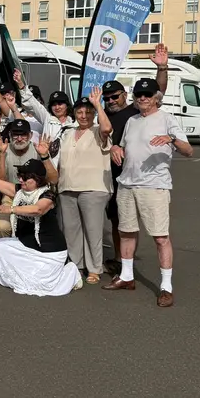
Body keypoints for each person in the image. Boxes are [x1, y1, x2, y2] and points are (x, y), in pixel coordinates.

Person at [103, 78, 193, 308]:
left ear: (156, 97)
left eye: (148, 95)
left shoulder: (167, 119)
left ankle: (166, 287)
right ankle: (127, 276)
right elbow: (122, 145)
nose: (143, 98)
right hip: (127, 184)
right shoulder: (132, 121)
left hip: (154, 186)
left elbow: (188, 150)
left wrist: (171, 139)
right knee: (126, 232)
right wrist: (115, 147)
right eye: (139, 95)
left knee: (161, 237)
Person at [101, 44, 170, 274]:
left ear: (124, 96)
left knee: (137, 227)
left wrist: (162, 68)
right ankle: (122, 262)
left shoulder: (134, 111)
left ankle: (125, 266)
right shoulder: (99, 117)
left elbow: (157, 92)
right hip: (110, 178)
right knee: (117, 223)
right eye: (107, 97)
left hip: (137, 178)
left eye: (115, 96)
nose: (111, 100)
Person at [0, 151, 82, 296]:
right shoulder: (20, 191)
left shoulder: (48, 195)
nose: (21, 179)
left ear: (38, 180)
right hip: (27, 246)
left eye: (26, 177)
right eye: (20, 175)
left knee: (36, 284)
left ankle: (70, 273)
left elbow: (38, 209)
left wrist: (11, 209)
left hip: (49, 251)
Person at [58, 88, 113, 285]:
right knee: (71, 230)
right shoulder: (68, 133)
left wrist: (98, 104)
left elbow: (107, 129)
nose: (84, 116)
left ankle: (94, 268)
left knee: (93, 230)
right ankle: (75, 264)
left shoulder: (98, 130)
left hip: (93, 188)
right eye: (80, 112)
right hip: (67, 187)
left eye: (88, 112)